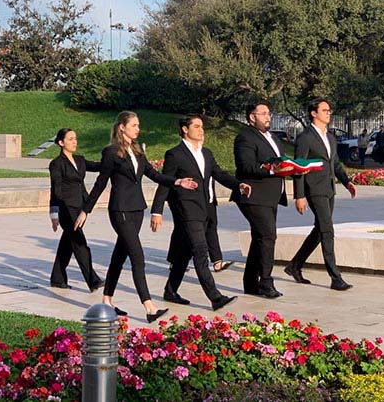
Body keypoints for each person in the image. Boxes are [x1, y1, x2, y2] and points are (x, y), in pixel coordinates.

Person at [74, 111, 193, 323]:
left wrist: (177, 182)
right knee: (138, 256)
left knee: (119, 256)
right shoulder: (111, 152)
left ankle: (107, 300)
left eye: (138, 125)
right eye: (134, 125)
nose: (138, 129)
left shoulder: (138, 152)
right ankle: (149, 307)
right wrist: (86, 210)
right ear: (122, 127)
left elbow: (154, 175)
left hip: (137, 209)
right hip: (120, 211)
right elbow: (101, 183)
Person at [150, 115, 251, 311]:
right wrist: (156, 211)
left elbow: (220, 174)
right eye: (196, 126)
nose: (201, 129)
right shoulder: (174, 154)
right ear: (185, 129)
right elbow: (165, 182)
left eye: (202, 126)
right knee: (200, 251)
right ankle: (215, 297)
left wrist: (239, 185)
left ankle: (170, 291)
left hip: (204, 209)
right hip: (186, 210)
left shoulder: (206, 153)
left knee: (183, 254)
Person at [284, 98, 357, 291]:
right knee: (327, 230)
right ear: (314, 113)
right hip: (314, 190)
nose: (328, 113)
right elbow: (298, 168)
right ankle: (336, 277)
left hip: (329, 189)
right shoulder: (305, 137)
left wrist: (346, 181)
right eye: (324, 110)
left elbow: (335, 163)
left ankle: (294, 265)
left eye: (329, 110)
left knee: (319, 230)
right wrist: (299, 196)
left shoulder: (330, 137)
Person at [231, 102, 287, 298]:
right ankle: (265, 281)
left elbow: (281, 161)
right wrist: (271, 169)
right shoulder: (245, 137)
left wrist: (293, 168)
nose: (268, 117)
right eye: (263, 114)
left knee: (260, 237)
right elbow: (246, 166)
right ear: (252, 117)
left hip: (271, 196)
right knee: (268, 235)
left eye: (269, 113)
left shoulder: (273, 138)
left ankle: (250, 283)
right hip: (253, 195)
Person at [48, 128, 104, 292]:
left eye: (75, 139)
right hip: (66, 209)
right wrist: (54, 212)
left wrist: (115, 159)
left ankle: (57, 278)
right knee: (80, 243)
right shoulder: (56, 164)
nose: (75, 142)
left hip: (81, 207)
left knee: (67, 243)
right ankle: (93, 280)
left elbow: (98, 166)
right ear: (61, 142)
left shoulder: (80, 160)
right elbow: (55, 190)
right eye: (70, 139)